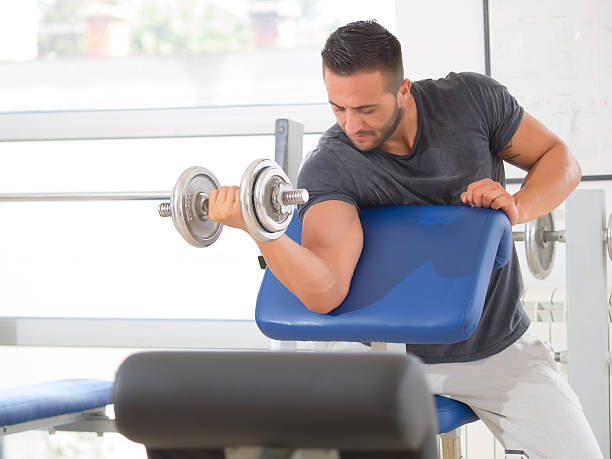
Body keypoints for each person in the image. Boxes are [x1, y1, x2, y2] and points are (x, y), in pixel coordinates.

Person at [208, 20, 603, 459]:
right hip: (379, 358)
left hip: (495, 347)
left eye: (366, 109)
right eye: (338, 108)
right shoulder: (332, 165)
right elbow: (325, 290)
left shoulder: (471, 101)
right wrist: (261, 231)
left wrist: (517, 206)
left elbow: (560, 159)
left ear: (403, 90)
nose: (351, 124)